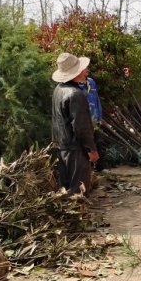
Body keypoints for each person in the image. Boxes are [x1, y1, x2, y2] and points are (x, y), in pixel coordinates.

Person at [51, 52, 99, 194]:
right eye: (83, 69)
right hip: (75, 151)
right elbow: (81, 128)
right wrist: (91, 150)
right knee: (78, 192)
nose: (86, 72)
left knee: (65, 190)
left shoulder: (58, 90)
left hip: (61, 148)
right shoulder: (76, 94)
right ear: (76, 72)